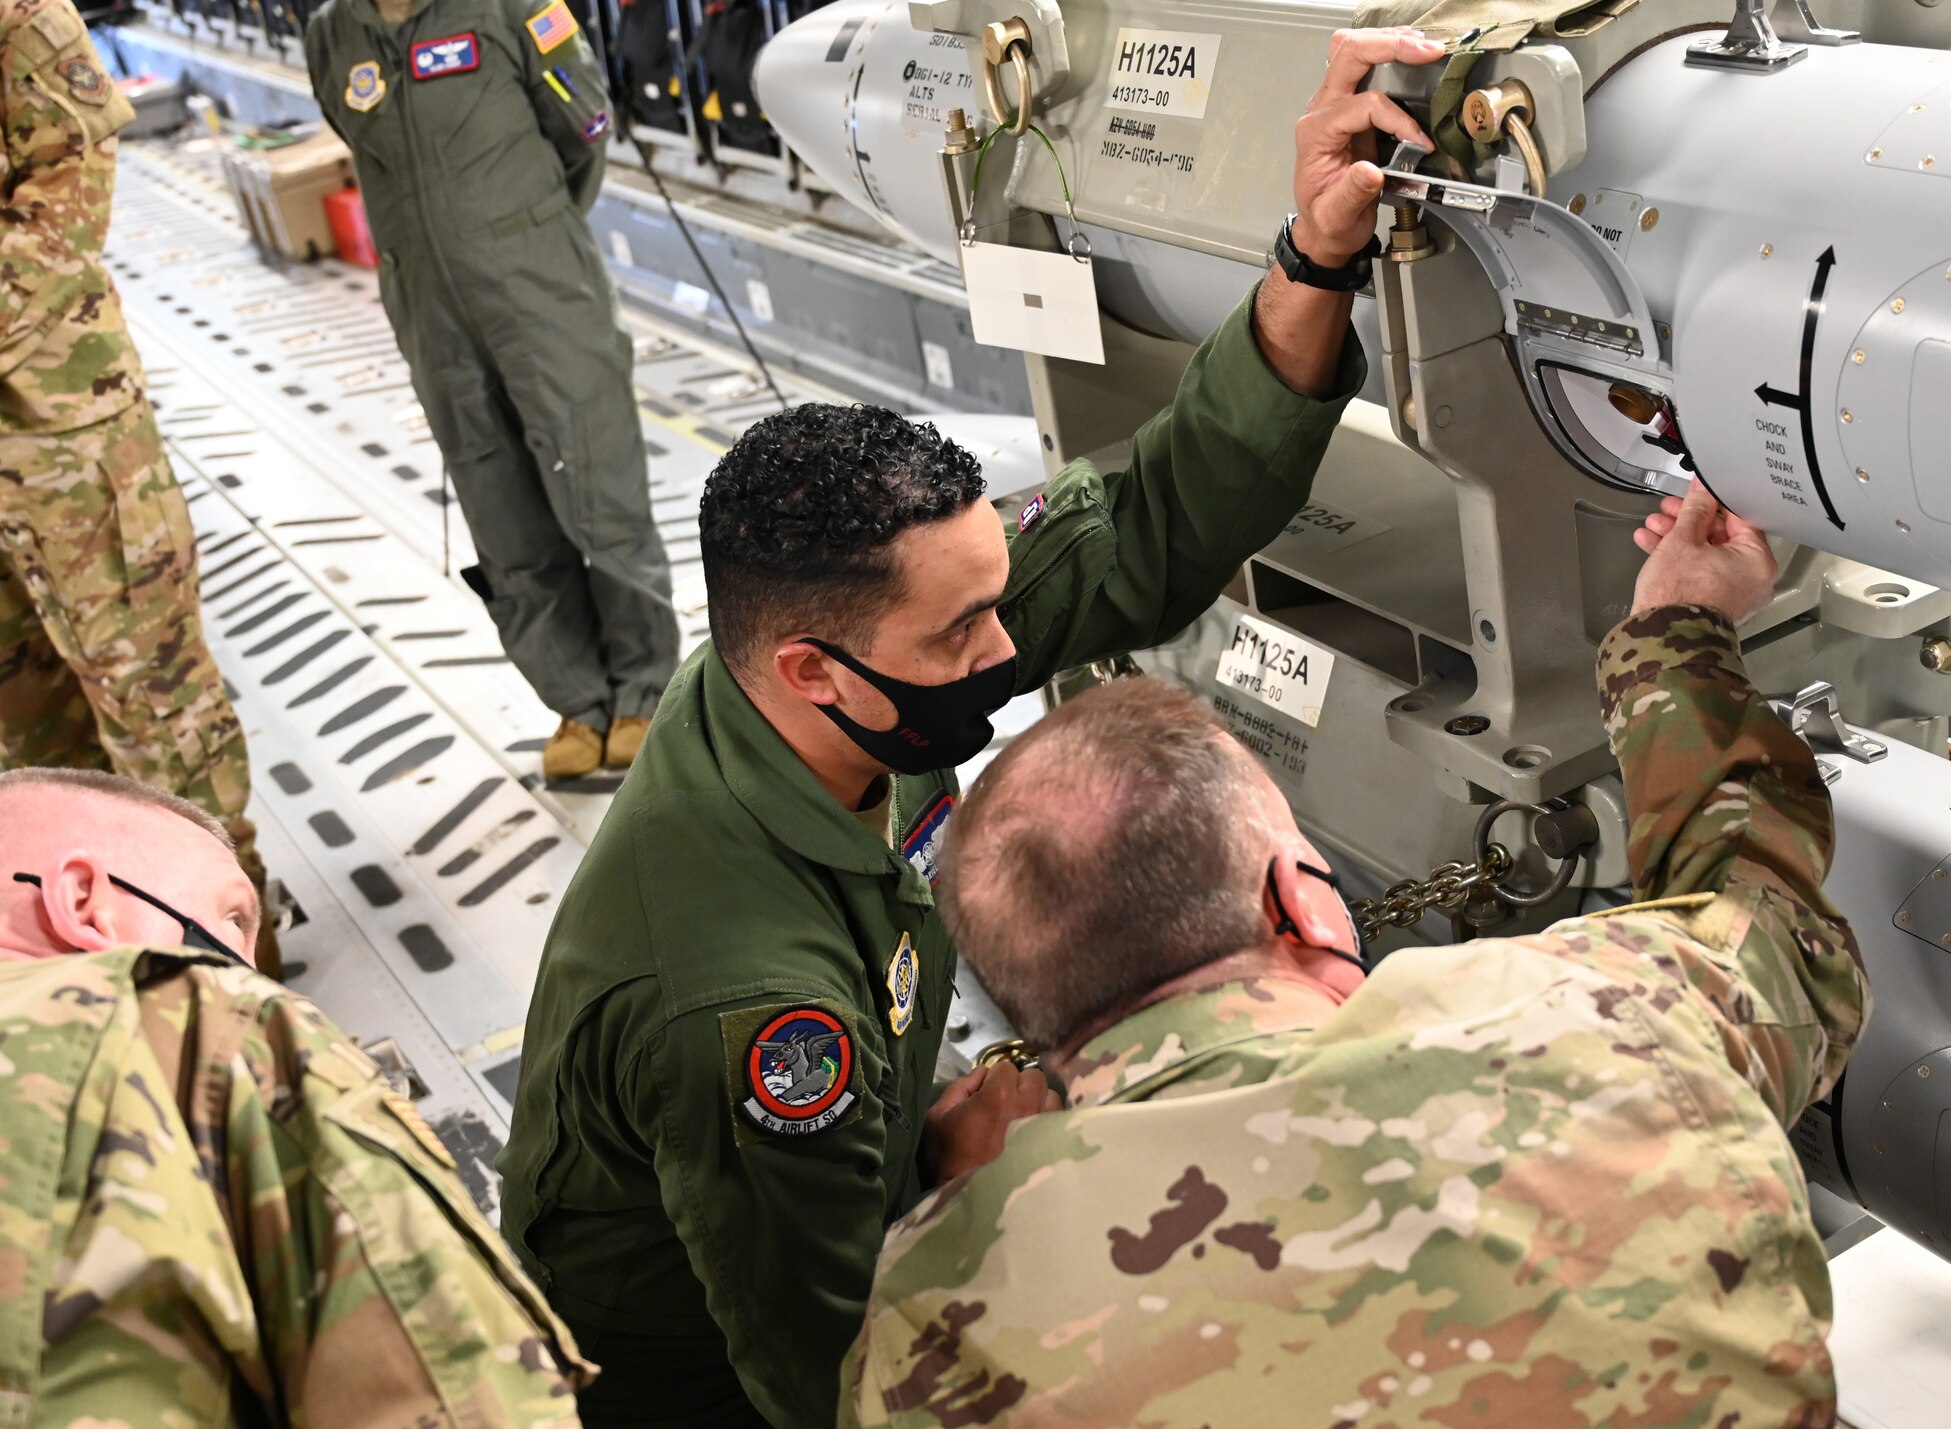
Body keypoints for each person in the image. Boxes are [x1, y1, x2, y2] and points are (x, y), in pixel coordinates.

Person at [499, 23, 1453, 1428]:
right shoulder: (756, 1012)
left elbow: (1143, 526)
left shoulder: (824, 666)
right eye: (964, 635)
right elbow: (825, 1372)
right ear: (816, 670)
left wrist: (1315, 253)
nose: (1006, 654)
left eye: (993, 604)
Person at [841, 481, 1871, 1429]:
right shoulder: (1598, 1019)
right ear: (1297, 897)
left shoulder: (930, 1327)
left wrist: (981, 1211)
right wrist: (1672, 624)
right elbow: (1770, 921)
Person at [0, 765, 596, 1424]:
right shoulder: (211, 1019)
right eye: (229, 919)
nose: (248, 969)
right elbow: (468, 1403)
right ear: (84, 899)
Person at [304, 0, 679, 781]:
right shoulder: (331, 35)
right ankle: (576, 700)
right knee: (497, 498)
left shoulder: (513, 8)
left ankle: (645, 688)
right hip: (428, 310)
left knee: (596, 478)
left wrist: (530, 228)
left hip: (541, 283)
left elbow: (585, 127)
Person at [0, 0, 281, 975]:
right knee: (20, 728)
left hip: (61, 424)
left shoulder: (21, 16)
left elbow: (68, 190)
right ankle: (79, 974)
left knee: (152, 700)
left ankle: (223, 961)